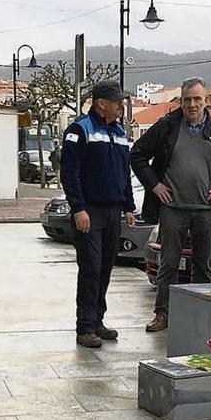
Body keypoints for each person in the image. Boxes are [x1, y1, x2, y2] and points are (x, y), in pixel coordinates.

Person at [130, 77, 211, 332]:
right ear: (181, 102)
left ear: (205, 101)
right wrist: (155, 185)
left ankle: (199, 316)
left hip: (207, 211)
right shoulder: (167, 127)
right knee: (168, 263)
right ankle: (163, 314)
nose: (192, 105)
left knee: (203, 266)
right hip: (174, 208)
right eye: (187, 100)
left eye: (197, 99)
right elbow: (137, 154)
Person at [61, 80, 136, 348]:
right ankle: (84, 328)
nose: (121, 106)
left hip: (113, 211)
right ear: (101, 103)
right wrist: (78, 208)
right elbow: (69, 173)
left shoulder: (118, 132)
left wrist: (129, 206)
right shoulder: (79, 130)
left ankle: (97, 321)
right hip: (89, 212)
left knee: (105, 268)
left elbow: (124, 173)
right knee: (90, 269)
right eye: (117, 102)